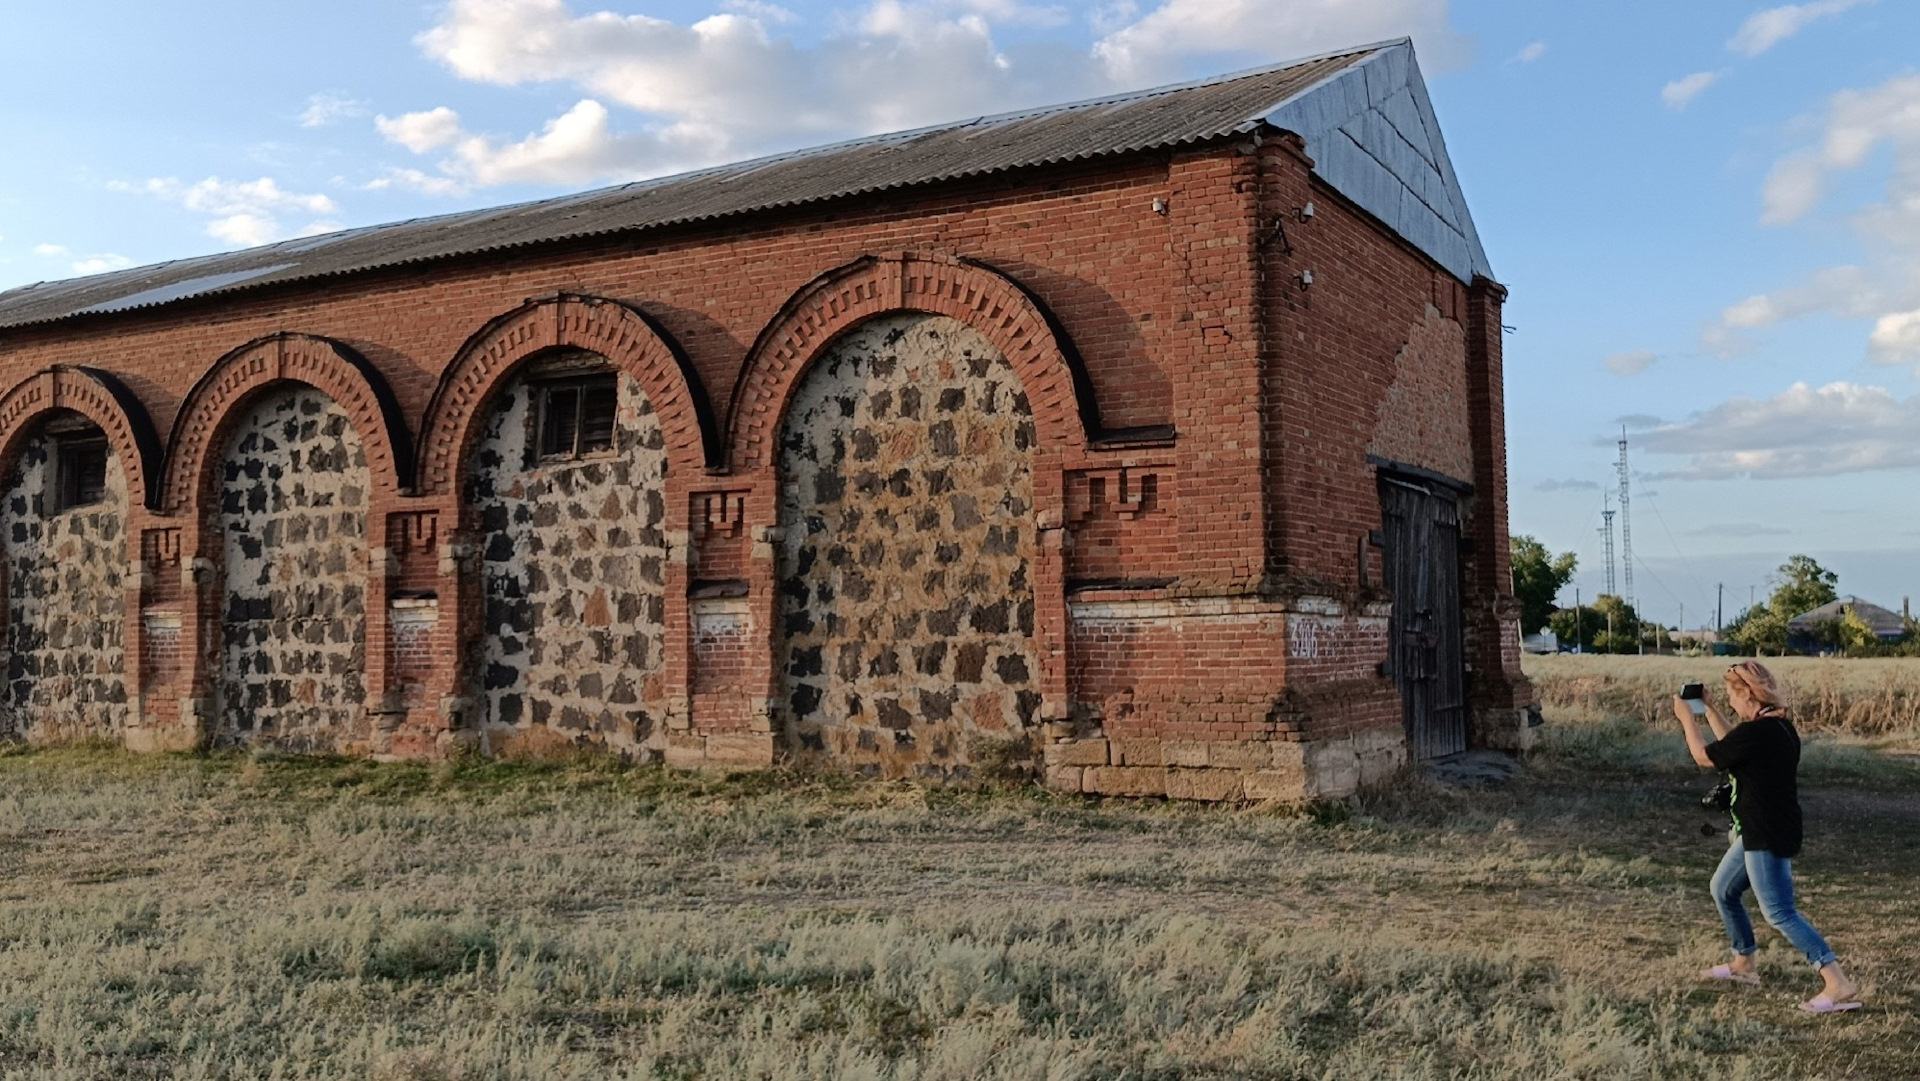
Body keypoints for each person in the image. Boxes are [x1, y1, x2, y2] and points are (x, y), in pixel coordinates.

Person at [1671, 660, 1860, 1013]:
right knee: (1722, 889)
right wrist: (1709, 708)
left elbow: (1703, 756)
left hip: (1765, 832)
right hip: (1762, 828)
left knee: (1779, 913)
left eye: (1730, 695)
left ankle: (1837, 982)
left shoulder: (1758, 734)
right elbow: (1735, 744)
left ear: (1747, 695)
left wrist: (1687, 718)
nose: (1730, 702)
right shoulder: (1777, 728)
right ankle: (1744, 964)